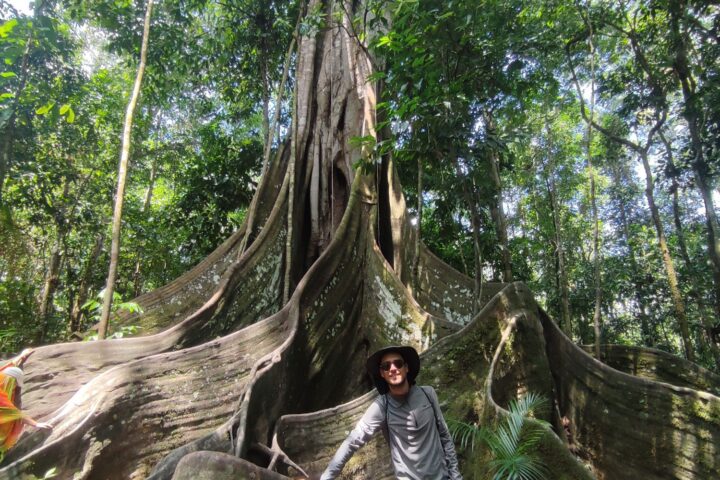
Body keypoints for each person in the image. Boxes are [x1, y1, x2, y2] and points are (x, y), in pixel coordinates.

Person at [320, 345, 462, 480]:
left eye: (398, 363)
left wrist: (455, 476)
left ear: (406, 367)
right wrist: (327, 477)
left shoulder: (428, 394)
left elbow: (445, 436)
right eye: (386, 366)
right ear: (382, 373)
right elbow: (353, 440)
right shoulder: (382, 406)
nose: (393, 369)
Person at [0, 348, 52, 462]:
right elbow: (15, 413)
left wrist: (22, 356)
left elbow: (10, 366)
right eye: (14, 384)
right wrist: (36, 424)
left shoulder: (3, 374)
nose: (14, 389)